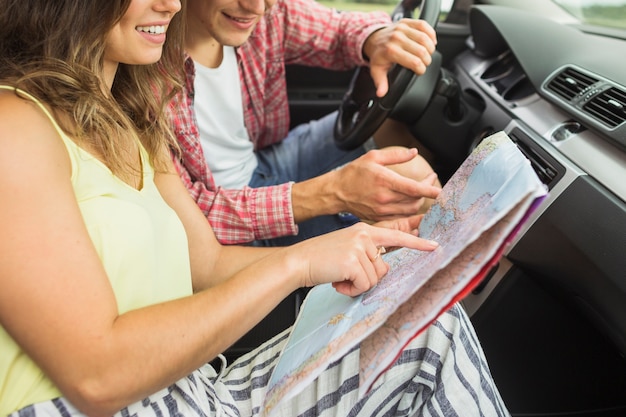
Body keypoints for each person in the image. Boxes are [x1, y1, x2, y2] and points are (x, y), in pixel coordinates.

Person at [0, 0, 511, 416]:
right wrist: (300, 258)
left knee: (424, 319)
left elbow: (206, 263)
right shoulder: (15, 128)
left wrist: (349, 248)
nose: (170, 4)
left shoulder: (131, 117)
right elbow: (97, 377)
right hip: (104, 404)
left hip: (193, 388)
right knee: (430, 337)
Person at [168, 0, 442, 246]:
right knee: (410, 186)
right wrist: (333, 192)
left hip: (264, 161)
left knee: (400, 134)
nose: (258, 8)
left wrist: (375, 38)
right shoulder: (146, 74)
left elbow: (337, 29)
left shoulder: (266, 14)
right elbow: (195, 218)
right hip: (228, 223)